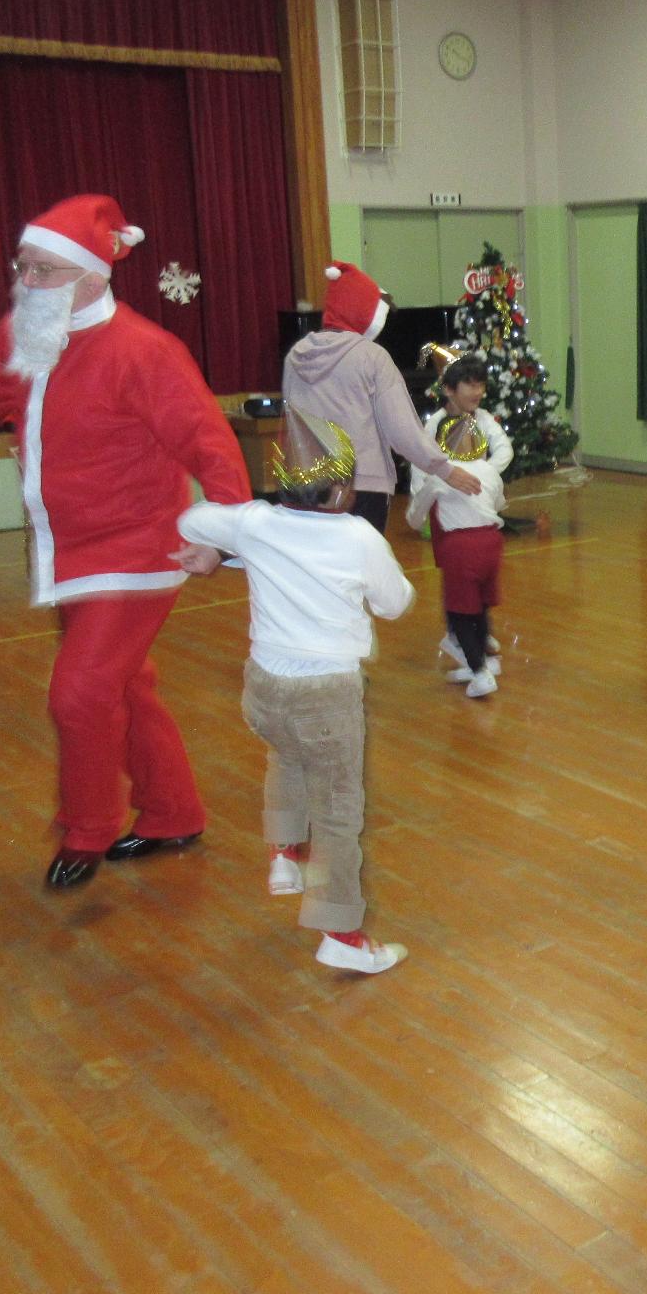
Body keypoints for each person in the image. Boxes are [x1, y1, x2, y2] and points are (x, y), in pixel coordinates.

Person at [0, 194, 251, 891]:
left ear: (93, 277)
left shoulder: (146, 351)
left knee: (81, 694)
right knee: (126, 688)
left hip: (139, 550)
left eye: (44, 271)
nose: (26, 283)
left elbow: (208, 441)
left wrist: (225, 534)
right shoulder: (26, 333)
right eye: (23, 267)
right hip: (67, 550)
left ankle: (86, 829)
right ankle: (172, 811)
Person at [175, 411, 416, 974]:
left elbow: (192, 518)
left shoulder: (256, 523)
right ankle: (341, 935)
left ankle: (284, 855)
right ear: (341, 491)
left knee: (285, 753)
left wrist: (222, 551)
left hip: (264, 692)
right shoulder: (358, 537)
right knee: (338, 811)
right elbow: (396, 603)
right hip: (325, 696)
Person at [281, 262, 480, 534]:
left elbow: (292, 424)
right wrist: (445, 470)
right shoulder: (372, 357)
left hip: (307, 486)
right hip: (362, 486)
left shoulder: (295, 357)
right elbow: (402, 430)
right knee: (362, 570)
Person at [418, 346, 512, 673]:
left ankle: (475, 639)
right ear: (448, 389)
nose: (478, 392)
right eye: (470, 385)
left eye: (481, 385)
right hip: (446, 511)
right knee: (456, 577)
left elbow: (504, 451)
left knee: (475, 579)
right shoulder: (434, 426)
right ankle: (461, 636)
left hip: (476, 502)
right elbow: (422, 466)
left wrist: (482, 474)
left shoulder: (483, 419)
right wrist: (429, 492)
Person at [404, 402, 507, 699]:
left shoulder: (440, 477)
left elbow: (415, 517)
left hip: (461, 547)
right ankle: (485, 659)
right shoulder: (489, 471)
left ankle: (480, 671)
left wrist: (415, 517)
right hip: (491, 542)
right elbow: (498, 504)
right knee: (481, 605)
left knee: (459, 612)